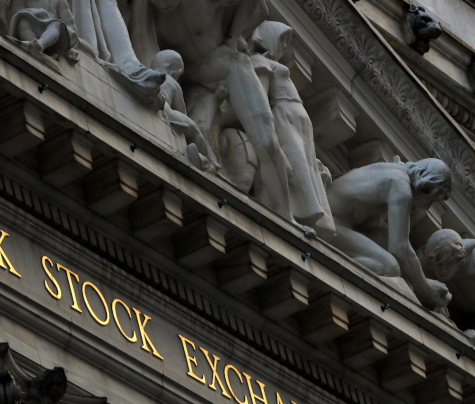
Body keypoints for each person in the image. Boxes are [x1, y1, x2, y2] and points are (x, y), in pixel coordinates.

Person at [128, 0, 301, 232]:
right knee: (195, 128)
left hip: (226, 65)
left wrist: (232, 38)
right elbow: (143, 43)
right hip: (191, 76)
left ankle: (286, 216)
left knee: (267, 141)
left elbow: (259, 7)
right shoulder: (145, 8)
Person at [326, 158, 453, 310]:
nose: (428, 206)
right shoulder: (401, 189)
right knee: (388, 267)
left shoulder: (394, 171)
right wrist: (426, 289)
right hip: (332, 224)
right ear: (425, 185)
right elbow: (400, 248)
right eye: (432, 199)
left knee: (387, 243)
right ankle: (333, 273)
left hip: (339, 221)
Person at [250, 21, 336, 238]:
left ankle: (297, 212)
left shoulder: (269, 62)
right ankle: (284, 212)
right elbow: (259, 96)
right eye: (282, 40)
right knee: (294, 166)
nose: (285, 46)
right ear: (269, 39)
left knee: (304, 167)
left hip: (298, 122)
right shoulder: (260, 61)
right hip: (284, 118)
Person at [420, 229, 475, 351]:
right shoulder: (427, 258)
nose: (440, 271)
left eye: (446, 264)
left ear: (460, 259)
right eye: (437, 265)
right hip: (455, 312)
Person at [152, 50, 220, 171]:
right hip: (166, 110)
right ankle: (208, 161)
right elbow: (181, 111)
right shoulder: (171, 82)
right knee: (194, 129)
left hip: (152, 107)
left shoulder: (148, 75)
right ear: (172, 70)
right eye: (179, 73)